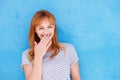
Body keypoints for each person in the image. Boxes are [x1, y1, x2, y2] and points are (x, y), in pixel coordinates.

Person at [21, 10, 80, 80]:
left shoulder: (68, 49)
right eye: (41, 28)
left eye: (49, 27)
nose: (46, 32)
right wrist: (38, 56)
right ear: (35, 30)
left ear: (54, 28)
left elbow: (76, 78)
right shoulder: (27, 55)